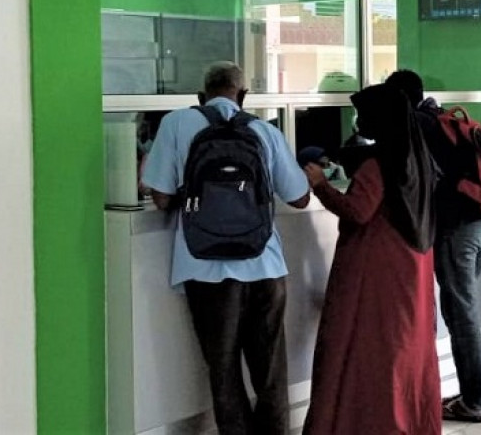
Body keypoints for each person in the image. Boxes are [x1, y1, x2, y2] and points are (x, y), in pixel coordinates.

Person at [141, 62, 310, 435]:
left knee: (224, 371)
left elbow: (162, 198)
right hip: (264, 266)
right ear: (243, 96)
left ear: (201, 97)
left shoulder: (176, 124)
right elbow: (299, 197)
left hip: (204, 268)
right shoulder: (264, 130)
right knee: (270, 372)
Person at [301, 84, 441, 435]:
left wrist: (320, 184)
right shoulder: (416, 155)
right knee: (406, 351)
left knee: (368, 351)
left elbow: (358, 211)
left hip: (378, 271)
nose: (359, 121)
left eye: (364, 115)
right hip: (412, 266)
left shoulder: (378, 165)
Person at [385, 69, 481, 422]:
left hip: (456, 231)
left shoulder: (416, 125)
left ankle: (476, 399)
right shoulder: (444, 119)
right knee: (462, 310)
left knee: (460, 314)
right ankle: (473, 393)